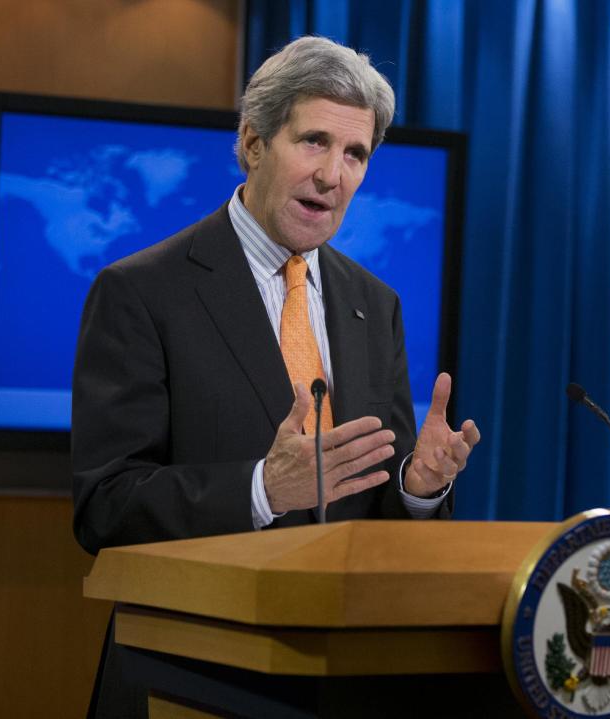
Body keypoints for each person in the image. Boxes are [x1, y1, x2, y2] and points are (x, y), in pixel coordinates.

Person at [71, 37, 481, 715]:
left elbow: (373, 511)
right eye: (314, 141)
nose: (333, 174)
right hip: (188, 674)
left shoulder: (374, 304)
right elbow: (105, 506)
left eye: (355, 154)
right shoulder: (142, 292)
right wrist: (263, 488)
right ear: (254, 142)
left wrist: (417, 487)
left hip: (342, 678)